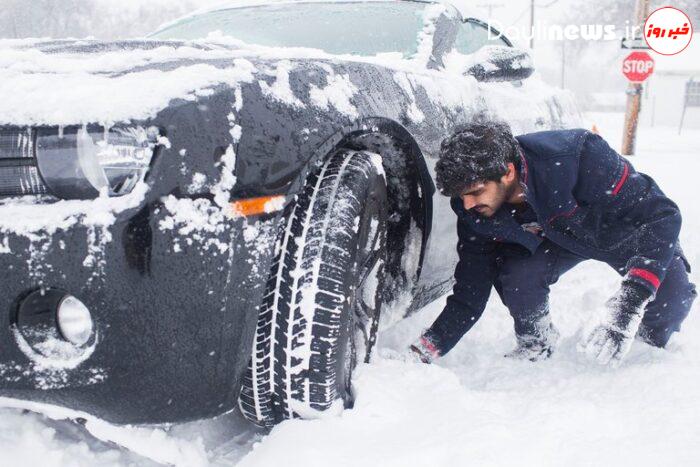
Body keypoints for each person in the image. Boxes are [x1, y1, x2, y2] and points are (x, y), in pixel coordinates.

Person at [411, 121, 696, 366]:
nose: (467, 203)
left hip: (623, 234)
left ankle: (645, 349)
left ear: (507, 172)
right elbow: (470, 289)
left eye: (474, 192)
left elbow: (662, 216)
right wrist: (430, 346)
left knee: (672, 297)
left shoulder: (579, 158)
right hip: (561, 240)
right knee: (518, 275)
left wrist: (631, 301)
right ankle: (536, 342)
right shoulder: (474, 209)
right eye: (461, 196)